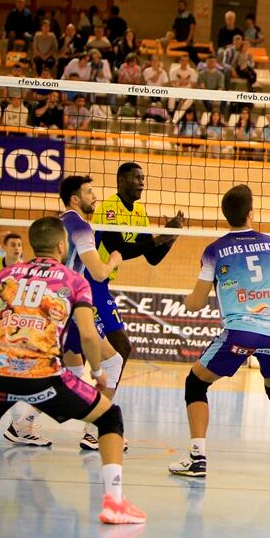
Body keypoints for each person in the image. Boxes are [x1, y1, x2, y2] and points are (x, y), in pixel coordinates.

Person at [0, 217, 146, 523]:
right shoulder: (72, 279)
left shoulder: (4, 274)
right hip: (43, 378)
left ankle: (23, 423)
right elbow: (87, 334)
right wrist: (97, 372)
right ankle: (115, 503)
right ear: (61, 245)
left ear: (31, 245)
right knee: (109, 417)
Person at [166, 185, 270, 479]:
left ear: (226, 216)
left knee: (195, 384)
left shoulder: (215, 250)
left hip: (240, 332)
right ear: (251, 213)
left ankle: (197, 459)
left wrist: (188, 299)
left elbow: (195, 304)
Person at [87, 162, 185, 430]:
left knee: (89, 351)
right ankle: (98, 422)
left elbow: (151, 257)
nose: (142, 182)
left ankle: (93, 421)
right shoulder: (108, 207)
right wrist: (161, 236)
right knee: (118, 348)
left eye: (144, 178)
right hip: (88, 281)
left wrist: (170, 237)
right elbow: (120, 248)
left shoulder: (139, 212)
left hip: (101, 284)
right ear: (121, 180)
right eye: (136, 177)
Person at [58, 175, 127, 451]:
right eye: (89, 192)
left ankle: (23, 424)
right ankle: (96, 429)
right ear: (75, 199)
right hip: (71, 306)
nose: (95, 196)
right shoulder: (81, 226)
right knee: (113, 363)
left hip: (55, 304)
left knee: (72, 369)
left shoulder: (56, 224)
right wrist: (113, 260)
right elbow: (97, 273)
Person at [0, 232, 48, 446]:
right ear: (3, 247)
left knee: (12, 367)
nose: (17, 248)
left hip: (10, 319)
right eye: (13, 245)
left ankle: (19, 421)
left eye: (20, 245)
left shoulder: (25, 271)